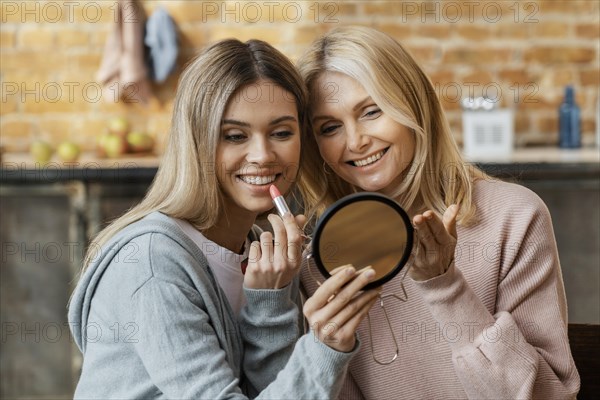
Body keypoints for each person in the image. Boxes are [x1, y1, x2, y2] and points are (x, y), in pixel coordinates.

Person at [68, 38, 381, 399]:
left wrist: (271, 303)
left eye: (281, 133)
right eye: (235, 136)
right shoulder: (153, 263)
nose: (263, 155)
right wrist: (325, 344)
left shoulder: (263, 258)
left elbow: (269, 391)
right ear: (197, 142)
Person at [296, 26, 580, 399]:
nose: (355, 140)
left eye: (371, 111)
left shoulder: (514, 217)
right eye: (330, 127)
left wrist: (444, 285)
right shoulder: (319, 262)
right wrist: (324, 350)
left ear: (413, 105)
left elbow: (548, 395)